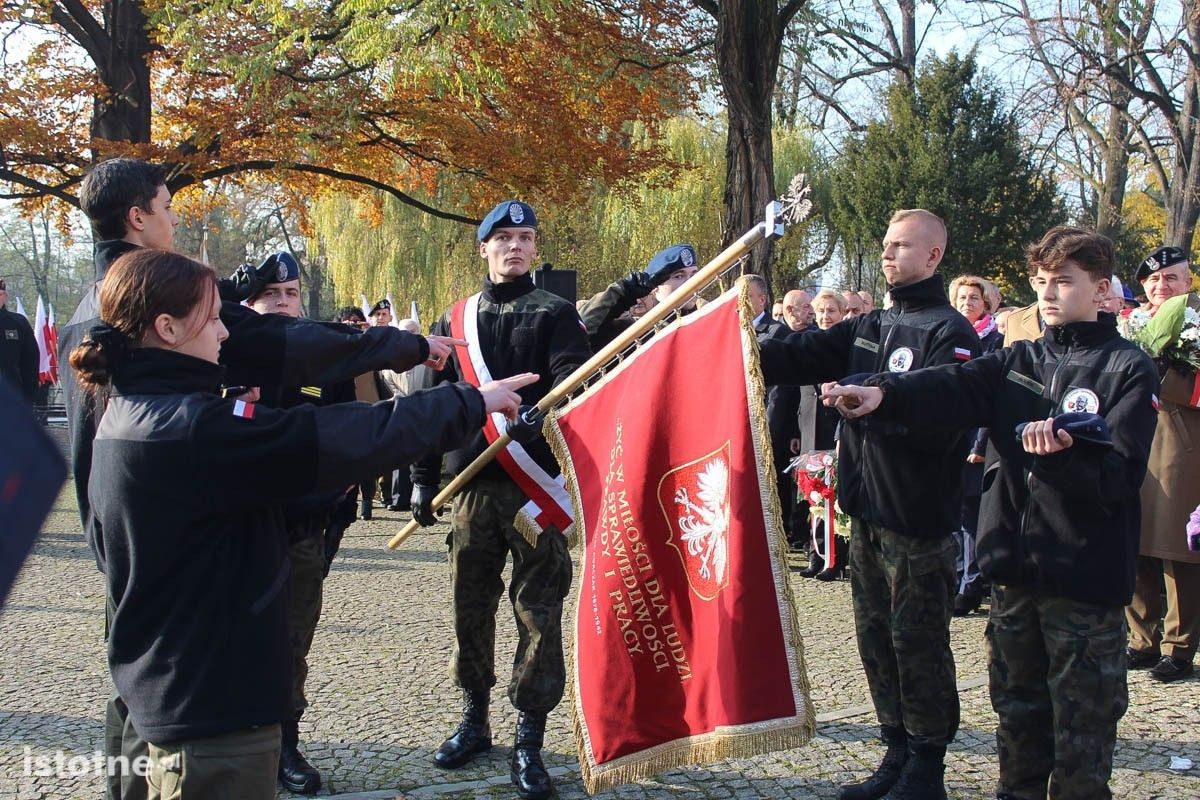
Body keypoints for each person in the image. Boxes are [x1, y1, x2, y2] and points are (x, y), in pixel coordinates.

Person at [62, 157, 462, 800]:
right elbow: (309, 390)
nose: (173, 222)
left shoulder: (103, 315)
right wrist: (410, 356)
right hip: (203, 632)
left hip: (133, 557)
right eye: (166, 208)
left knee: (140, 712)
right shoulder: (173, 337)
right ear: (138, 218)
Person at [824, 226, 1159, 800]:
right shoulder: (1019, 358)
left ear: (1103, 290)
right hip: (1013, 572)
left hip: (1081, 581)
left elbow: (1120, 479)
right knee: (1017, 722)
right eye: (1041, 282)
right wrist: (883, 393)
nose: (1049, 294)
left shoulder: (1128, 367)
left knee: (1081, 738)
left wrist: (1061, 459)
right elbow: (949, 385)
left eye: (1064, 282)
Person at [758, 209, 979, 800]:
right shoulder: (870, 325)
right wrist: (727, 338)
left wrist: (881, 407)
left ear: (933, 256)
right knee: (875, 639)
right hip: (869, 514)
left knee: (918, 644)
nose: (888, 254)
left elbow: (948, 417)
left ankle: (927, 764)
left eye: (902, 246)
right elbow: (796, 355)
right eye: (885, 245)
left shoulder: (948, 331)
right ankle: (895, 748)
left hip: (918, 521)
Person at [410, 200, 590, 800]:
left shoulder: (558, 314)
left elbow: (573, 378)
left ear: (536, 250)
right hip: (471, 488)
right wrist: (421, 479)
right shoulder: (456, 317)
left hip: (535, 488)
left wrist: (547, 413)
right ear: (483, 248)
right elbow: (433, 404)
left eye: (526, 238)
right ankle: (474, 720)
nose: (515, 246)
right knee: (471, 606)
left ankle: (529, 738)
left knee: (538, 612)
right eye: (503, 238)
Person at [246, 257, 359, 794]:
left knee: (293, 638)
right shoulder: (225, 354)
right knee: (234, 635)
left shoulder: (322, 360)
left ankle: (285, 745)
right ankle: (235, 741)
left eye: (291, 292)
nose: (283, 302)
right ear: (251, 301)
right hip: (238, 528)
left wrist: (329, 510)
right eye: (272, 292)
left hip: (302, 530)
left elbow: (348, 438)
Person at [1126, 245, 1200, 683]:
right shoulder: (1128, 325)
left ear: (1188, 282)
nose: (1161, 286)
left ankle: (1179, 645)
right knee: (1134, 543)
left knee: (1177, 550)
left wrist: (1164, 374)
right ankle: (1141, 638)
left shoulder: (1196, 325)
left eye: (1171, 278)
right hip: (1135, 444)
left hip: (1181, 446)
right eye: (1153, 280)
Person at [947, 275, 1005, 616]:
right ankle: (956, 576)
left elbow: (991, 396)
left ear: (987, 304)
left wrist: (980, 442)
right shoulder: (951, 333)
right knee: (954, 511)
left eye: (974, 298)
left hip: (976, 439)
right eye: (962, 297)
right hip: (951, 435)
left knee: (970, 516)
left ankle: (970, 582)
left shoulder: (995, 339)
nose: (967, 303)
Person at [796, 289, 849, 578]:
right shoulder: (809, 343)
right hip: (809, 432)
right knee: (813, 497)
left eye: (831, 311)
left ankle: (835, 558)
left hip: (836, 432)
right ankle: (816, 554)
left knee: (835, 497)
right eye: (821, 312)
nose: (826, 317)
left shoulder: (847, 344)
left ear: (841, 313)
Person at [577, 243, 699, 350]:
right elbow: (579, 331)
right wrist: (623, 291)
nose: (690, 282)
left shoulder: (705, 323)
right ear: (655, 287)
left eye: (694, 275)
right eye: (679, 276)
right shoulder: (636, 332)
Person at [0, 278, 39, 403]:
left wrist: (29, 397)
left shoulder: (18, 323)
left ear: (5, 296)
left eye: (0, 294)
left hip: (12, 396)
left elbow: (31, 361)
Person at [747, 274, 787, 339]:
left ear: (762, 300)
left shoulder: (779, 332)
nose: (739, 302)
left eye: (745, 297)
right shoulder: (731, 332)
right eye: (737, 298)